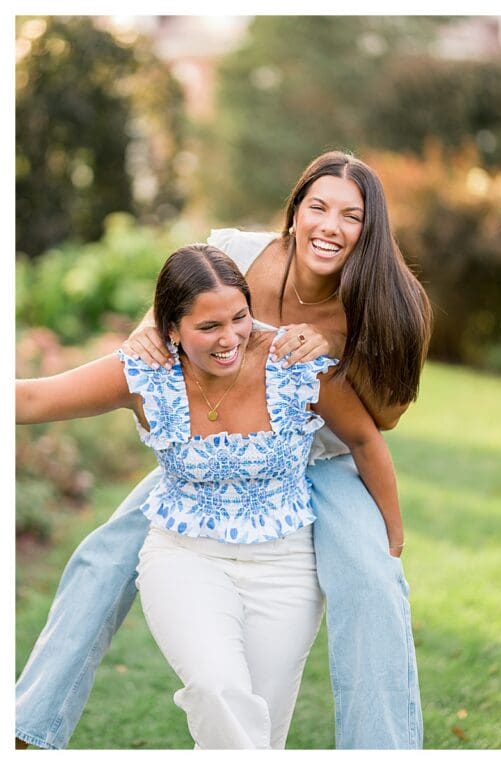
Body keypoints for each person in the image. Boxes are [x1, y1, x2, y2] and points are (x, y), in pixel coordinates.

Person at [15, 151, 432, 749]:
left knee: (372, 580)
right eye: (317, 207)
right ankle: (28, 728)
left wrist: (338, 341)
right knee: (104, 556)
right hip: (216, 452)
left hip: (323, 456)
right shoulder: (237, 253)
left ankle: (382, 751)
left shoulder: (386, 296)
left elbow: (381, 422)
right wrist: (146, 345)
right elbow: (159, 325)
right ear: (295, 212)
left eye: (351, 215)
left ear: (371, 227)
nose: (330, 226)